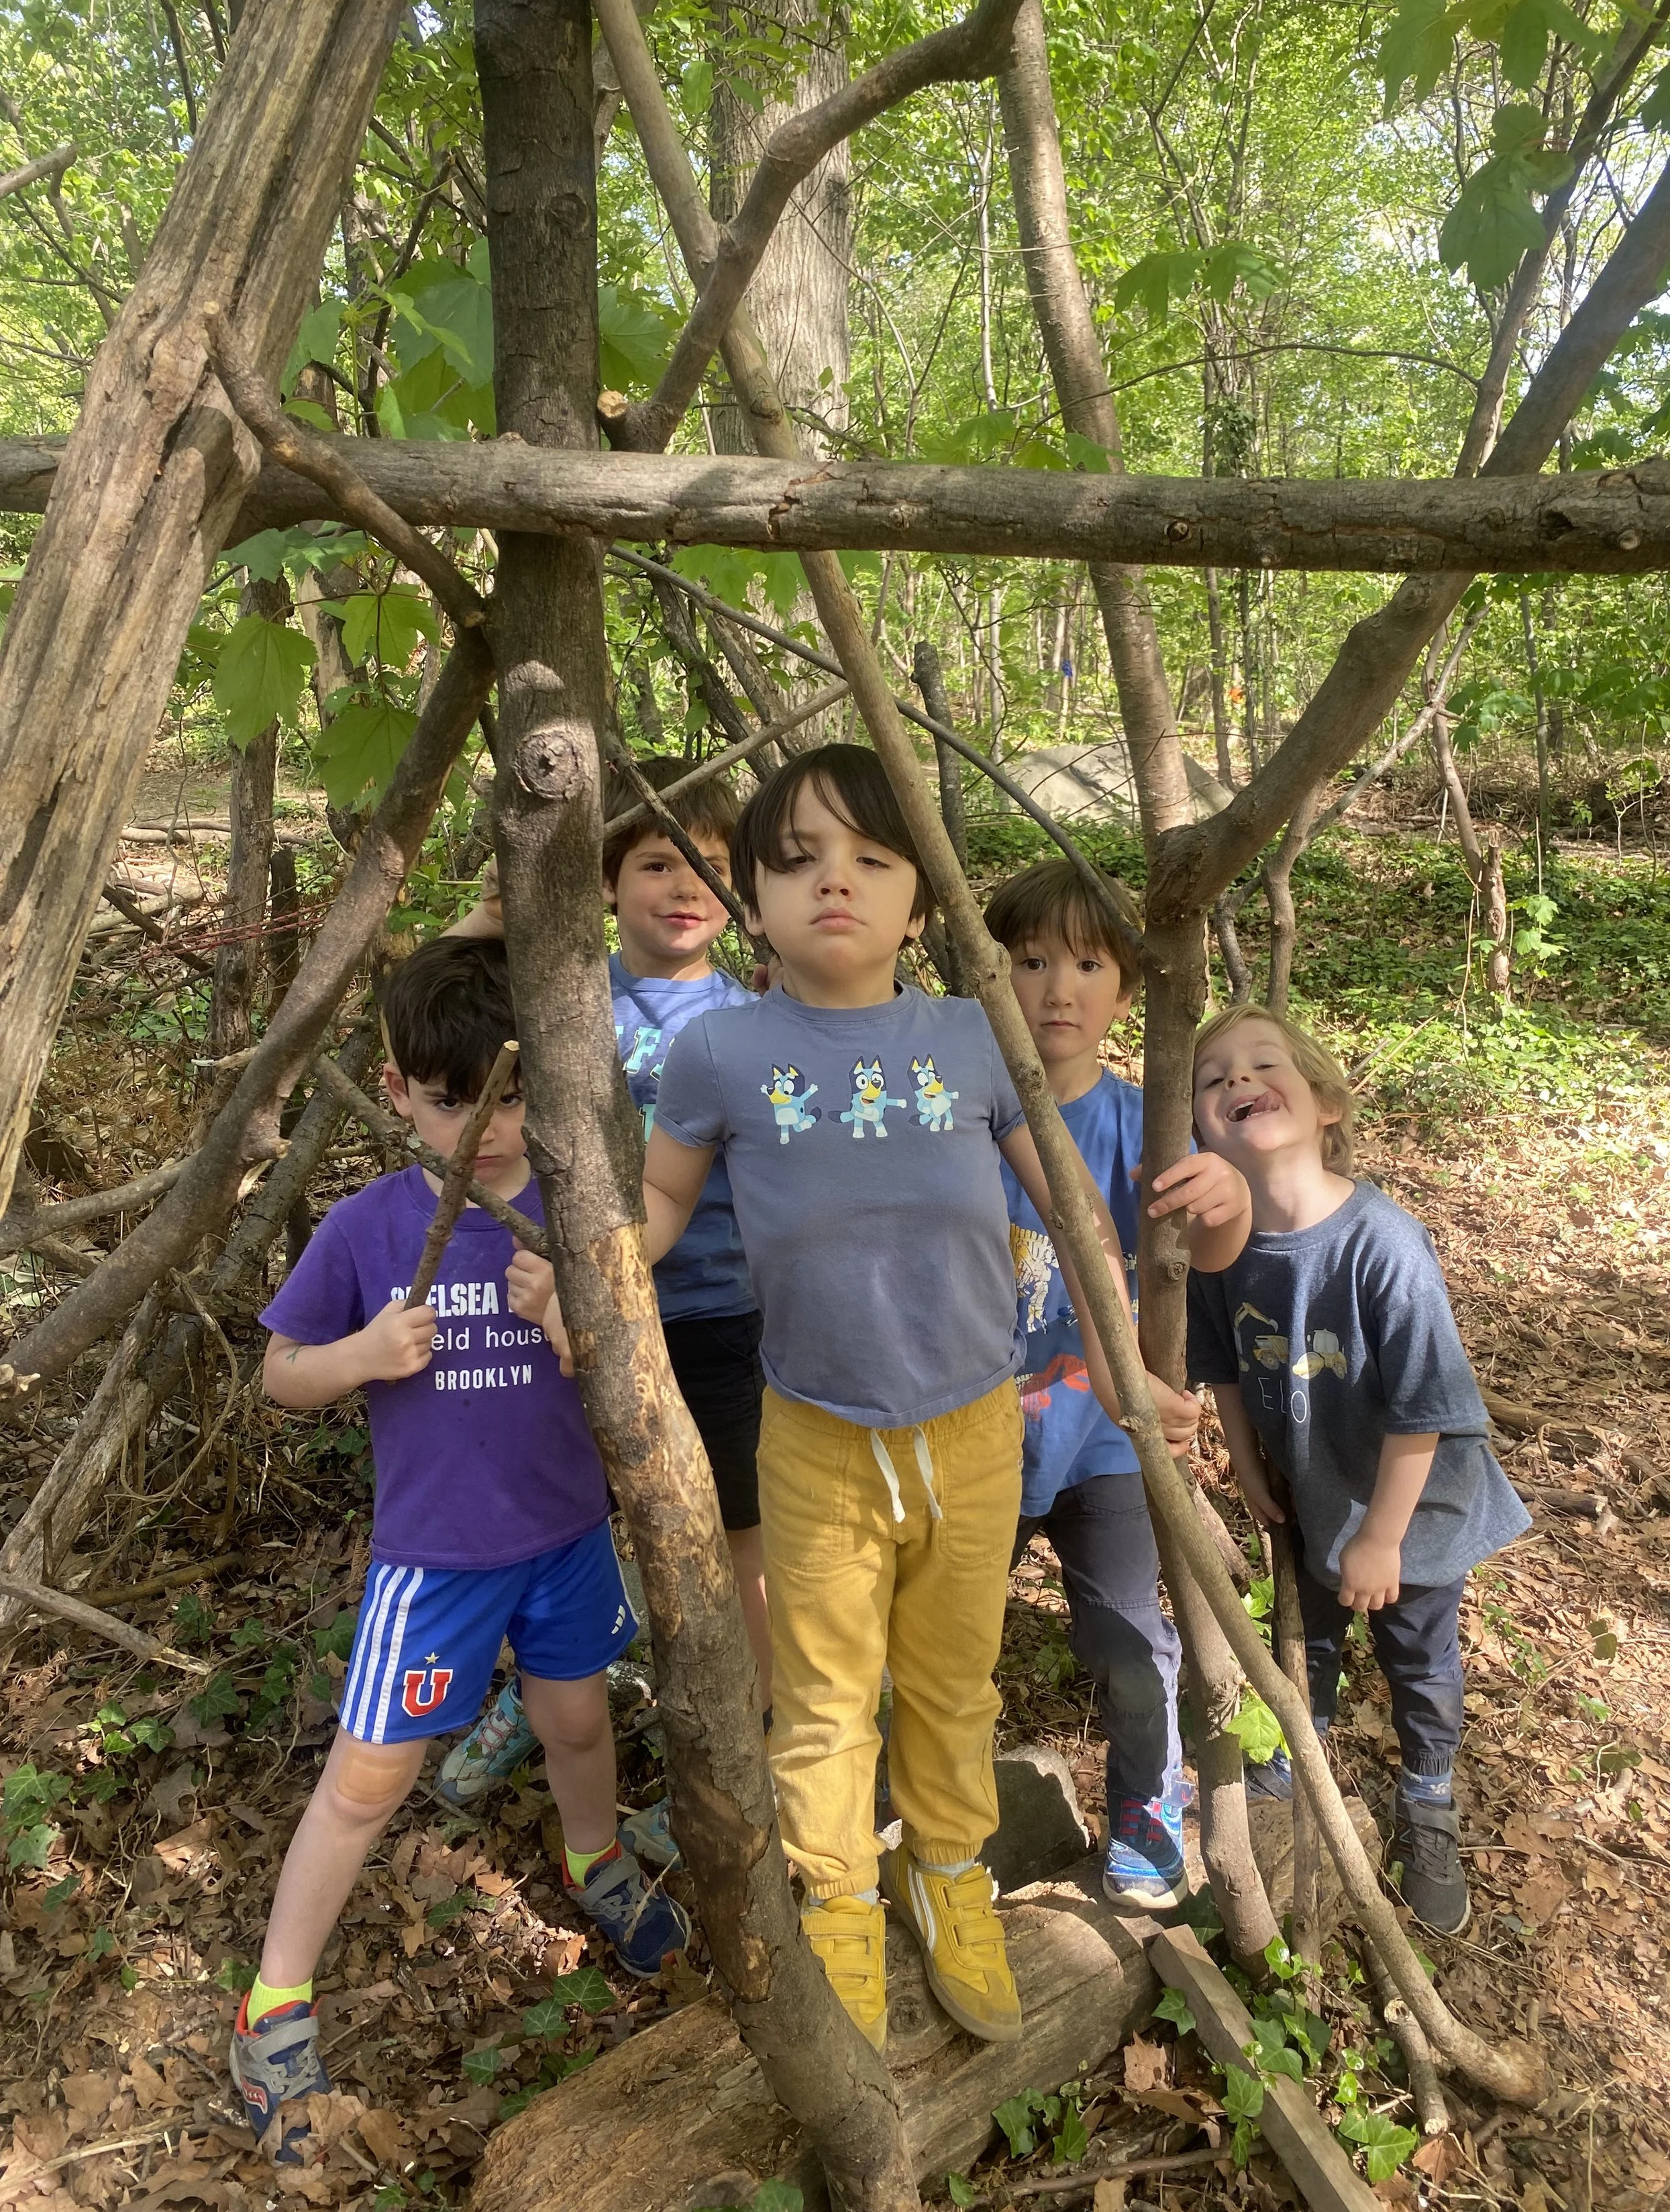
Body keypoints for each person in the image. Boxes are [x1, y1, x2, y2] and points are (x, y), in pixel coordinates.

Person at [643, 746, 1251, 2052]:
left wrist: (1127, 1374)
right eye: (797, 861)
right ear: (753, 899)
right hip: (813, 1431)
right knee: (822, 1692)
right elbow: (654, 1203)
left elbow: (1073, 1217)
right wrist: (581, 1265)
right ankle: (837, 1897)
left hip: (976, 1427)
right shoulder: (720, 1051)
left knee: (951, 1677)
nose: (835, 883)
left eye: (871, 859)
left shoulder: (972, 1040)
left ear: (920, 904)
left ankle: (947, 1870)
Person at [231, 938, 689, 2160]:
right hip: (434, 1565)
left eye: (511, 1096)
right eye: (447, 1101)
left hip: (566, 1540)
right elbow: (282, 1374)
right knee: (368, 1780)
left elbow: (632, 1376)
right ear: (397, 1093)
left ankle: (593, 1856)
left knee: (577, 1721)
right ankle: (273, 2001)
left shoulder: (575, 1219)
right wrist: (359, 1358)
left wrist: (576, 1321)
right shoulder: (368, 1228)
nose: (482, 1129)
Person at [437, 759, 771, 1819]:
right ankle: (544, 1696)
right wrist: (491, 917)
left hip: (715, 1314)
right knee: (562, 1524)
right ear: (606, 880)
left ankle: (752, 1731)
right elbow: (433, 1011)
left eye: (710, 867)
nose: (686, 886)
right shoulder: (560, 993)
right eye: (659, 862)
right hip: (563, 1313)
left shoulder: (750, 1020)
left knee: (734, 1532)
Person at [1185, 1002, 1530, 1936]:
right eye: (1213, 1078)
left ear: (1326, 1103)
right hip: (1315, 1488)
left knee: (1418, 1659)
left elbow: (1428, 1409)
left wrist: (1382, 1540)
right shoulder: (1220, 1249)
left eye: (1264, 1065)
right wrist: (1247, 1464)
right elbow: (1220, 1364)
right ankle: (1293, 1759)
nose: (1238, 1081)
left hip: (1415, 1508)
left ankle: (1428, 1799)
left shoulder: (1382, 1242)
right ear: (1200, 1128)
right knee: (1311, 1639)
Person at [985, 856, 1234, 1913]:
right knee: (949, 1644)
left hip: (1102, 1440)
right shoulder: (954, 1115)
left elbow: (1201, 1257)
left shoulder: (1142, 1124)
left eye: (1088, 965)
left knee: (1128, 1641)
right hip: (972, 1438)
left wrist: (1225, 1201)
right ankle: (941, 1817)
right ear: (989, 972)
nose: (1058, 989)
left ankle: (1147, 1802)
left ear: (1127, 992)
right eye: (1032, 960)